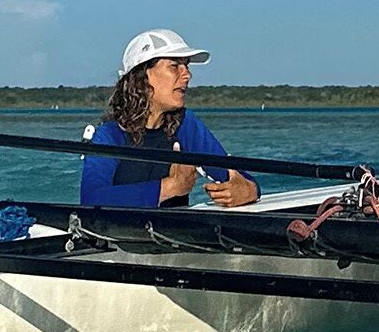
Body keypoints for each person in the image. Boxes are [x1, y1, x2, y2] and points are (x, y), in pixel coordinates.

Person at [78, 30, 259, 213]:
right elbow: (92, 199)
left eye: (186, 66)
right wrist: (171, 187)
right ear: (142, 78)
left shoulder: (185, 124)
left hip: (173, 238)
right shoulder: (109, 134)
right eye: (174, 66)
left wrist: (248, 190)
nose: (187, 75)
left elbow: (237, 177)